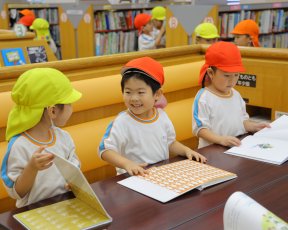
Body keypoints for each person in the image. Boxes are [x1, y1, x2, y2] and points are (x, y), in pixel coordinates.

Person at [99, 57, 207, 175]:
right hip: (132, 179)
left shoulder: (162, 116)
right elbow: (105, 150)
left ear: (157, 94)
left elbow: (170, 142)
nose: (134, 98)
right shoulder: (121, 122)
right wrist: (127, 164)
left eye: (140, 92)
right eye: (128, 92)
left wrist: (186, 151)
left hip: (160, 175)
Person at [1, 68, 82, 208]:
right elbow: (16, 192)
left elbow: (74, 164)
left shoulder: (64, 137)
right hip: (33, 212)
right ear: (53, 111)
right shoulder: (19, 145)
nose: (72, 108)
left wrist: (74, 180)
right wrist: (31, 168)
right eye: (69, 103)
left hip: (65, 206)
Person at [192, 42, 269, 148]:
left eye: (236, 75)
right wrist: (220, 140)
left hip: (235, 146)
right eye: (227, 75)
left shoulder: (236, 94)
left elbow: (242, 121)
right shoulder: (203, 98)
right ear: (210, 73)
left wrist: (253, 126)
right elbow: (200, 129)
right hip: (211, 151)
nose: (232, 81)